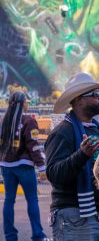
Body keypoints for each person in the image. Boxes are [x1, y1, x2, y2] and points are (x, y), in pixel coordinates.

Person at [44, 72, 99, 241]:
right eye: (96, 94)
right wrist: (82, 155)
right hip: (76, 218)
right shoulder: (63, 132)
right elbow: (54, 175)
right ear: (79, 100)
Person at [0, 91, 50, 241]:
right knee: (32, 199)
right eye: (27, 101)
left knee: (9, 200)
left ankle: (10, 236)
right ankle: (37, 235)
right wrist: (42, 167)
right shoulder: (28, 120)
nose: (28, 103)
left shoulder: (2, 121)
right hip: (24, 167)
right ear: (23, 104)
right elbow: (34, 146)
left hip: (6, 166)